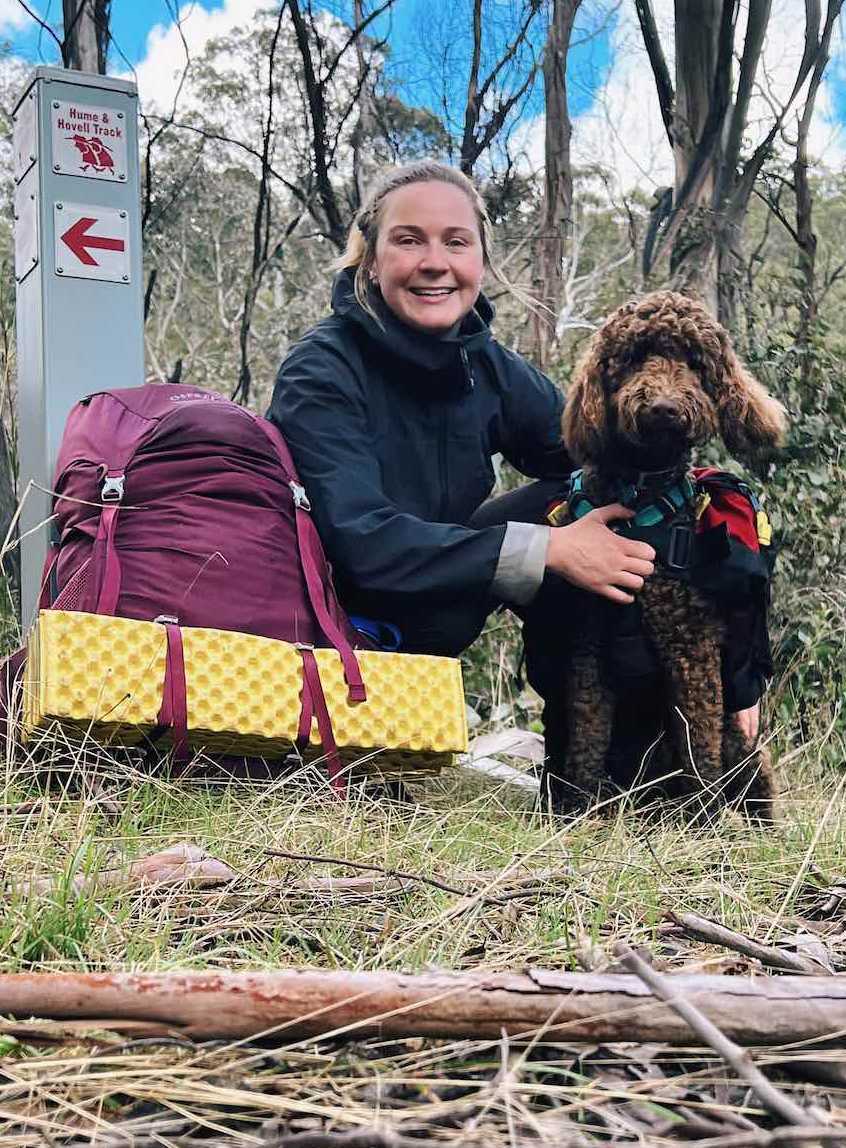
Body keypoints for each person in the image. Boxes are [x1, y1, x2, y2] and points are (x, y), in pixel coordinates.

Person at [267, 160, 656, 780]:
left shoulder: (486, 365)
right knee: (558, 538)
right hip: (341, 633)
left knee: (601, 501)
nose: (434, 262)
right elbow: (364, 546)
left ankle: (626, 760)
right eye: (408, 239)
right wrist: (548, 552)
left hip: (436, 609)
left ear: (480, 260)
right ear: (368, 259)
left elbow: (591, 452)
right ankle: (361, 753)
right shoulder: (321, 371)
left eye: (456, 241)